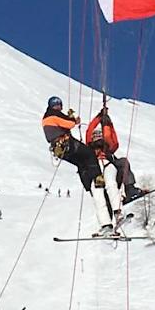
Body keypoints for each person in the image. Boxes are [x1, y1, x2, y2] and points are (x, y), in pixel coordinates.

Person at [41, 96, 115, 237]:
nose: (59, 107)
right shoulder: (54, 114)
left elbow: (62, 124)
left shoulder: (46, 117)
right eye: (58, 105)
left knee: (81, 164)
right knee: (89, 154)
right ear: (54, 105)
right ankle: (98, 177)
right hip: (67, 145)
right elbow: (68, 124)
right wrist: (74, 120)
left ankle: (88, 182)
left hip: (61, 150)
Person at [85, 108, 145, 221]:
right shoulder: (90, 146)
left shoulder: (108, 146)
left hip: (110, 166)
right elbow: (89, 130)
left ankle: (129, 188)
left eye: (99, 136)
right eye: (95, 136)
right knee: (104, 195)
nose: (97, 138)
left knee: (123, 162)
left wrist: (108, 123)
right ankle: (107, 221)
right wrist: (99, 117)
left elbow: (113, 140)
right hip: (97, 169)